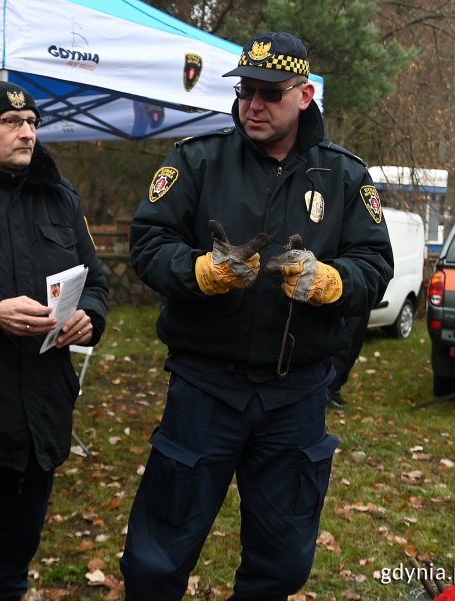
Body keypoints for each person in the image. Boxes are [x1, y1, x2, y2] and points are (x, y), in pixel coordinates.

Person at [121, 32, 394, 601]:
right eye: (246, 91)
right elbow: (148, 242)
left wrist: (334, 282)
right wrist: (197, 272)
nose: (254, 105)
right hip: (205, 388)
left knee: (283, 563)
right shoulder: (197, 160)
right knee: (155, 558)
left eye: (270, 93)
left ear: (305, 95)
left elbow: (374, 262)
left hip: (295, 396)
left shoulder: (343, 175)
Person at [0, 80, 109, 601]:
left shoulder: (59, 195)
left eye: (31, 122)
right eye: (11, 123)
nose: (26, 132)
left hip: (39, 419)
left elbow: (94, 284)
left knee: (10, 569)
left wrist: (89, 318)